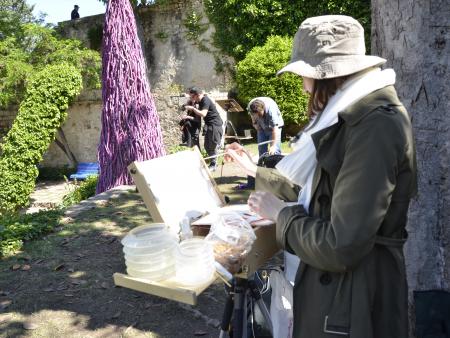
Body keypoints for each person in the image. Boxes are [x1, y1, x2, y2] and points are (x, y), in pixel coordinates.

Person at [225, 15, 417, 338]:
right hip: (343, 295)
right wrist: (254, 172)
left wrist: (282, 215)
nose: (303, 87)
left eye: (306, 76)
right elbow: (320, 191)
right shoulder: (352, 116)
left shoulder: (374, 126)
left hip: (354, 303)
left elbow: (342, 244)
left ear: (329, 77)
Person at [236, 97, 284, 189]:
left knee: (275, 153)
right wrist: (255, 123)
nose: (258, 116)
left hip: (274, 128)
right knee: (262, 152)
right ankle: (261, 179)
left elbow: (275, 130)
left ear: (263, 109)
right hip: (261, 127)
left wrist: (273, 146)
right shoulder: (251, 107)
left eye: (260, 114)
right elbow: (251, 115)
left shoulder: (271, 111)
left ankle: (278, 181)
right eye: (256, 115)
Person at [185, 87, 223, 171]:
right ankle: (213, 163)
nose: (192, 99)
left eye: (192, 97)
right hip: (209, 125)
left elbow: (203, 114)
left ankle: (214, 164)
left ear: (197, 95)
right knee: (206, 146)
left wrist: (193, 108)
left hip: (215, 125)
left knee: (212, 145)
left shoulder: (205, 100)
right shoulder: (200, 101)